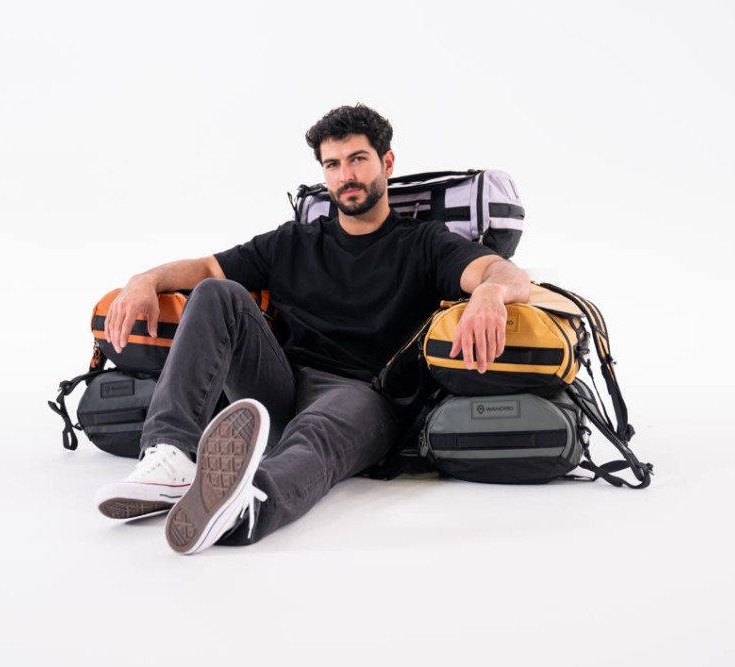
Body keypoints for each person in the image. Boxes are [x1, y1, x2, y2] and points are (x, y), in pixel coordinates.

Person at [94, 104, 531, 554]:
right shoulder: (294, 240)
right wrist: (146, 279)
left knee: (317, 432)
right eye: (333, 164)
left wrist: (489, 293)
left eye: (357, 159)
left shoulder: (425, 243)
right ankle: (170, 456)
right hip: (280, 387)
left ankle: (245, 506)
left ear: (387, 163)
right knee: (215, 292)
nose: (346, 175)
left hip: (365, 396)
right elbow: (208, 267)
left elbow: (504, 273)